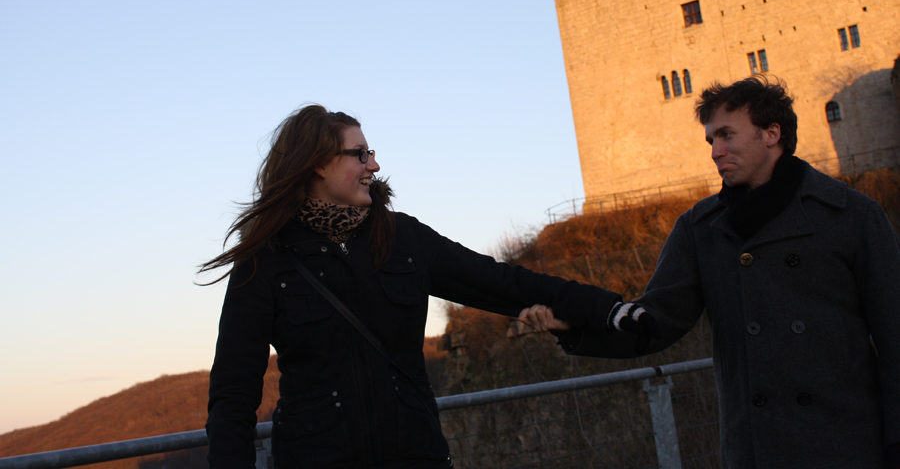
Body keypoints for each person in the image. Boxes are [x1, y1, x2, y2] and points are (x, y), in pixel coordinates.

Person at [200, 104, 649, 469]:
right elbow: (233, 395)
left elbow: (503, 282)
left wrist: (609, 311)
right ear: (317, 163)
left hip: (415, 456)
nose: (374, 165)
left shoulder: (402, 239)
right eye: (360, 154)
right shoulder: (266, 260)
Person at [520, 77, 900, 469]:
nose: (715, 152)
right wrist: (574, 326)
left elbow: (894, 337)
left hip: (848, 446)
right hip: (755, 452)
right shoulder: (700, 228)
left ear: (772, 134)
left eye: (726, 135)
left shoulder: (852, 214)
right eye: (710, 140)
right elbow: (657, 320)